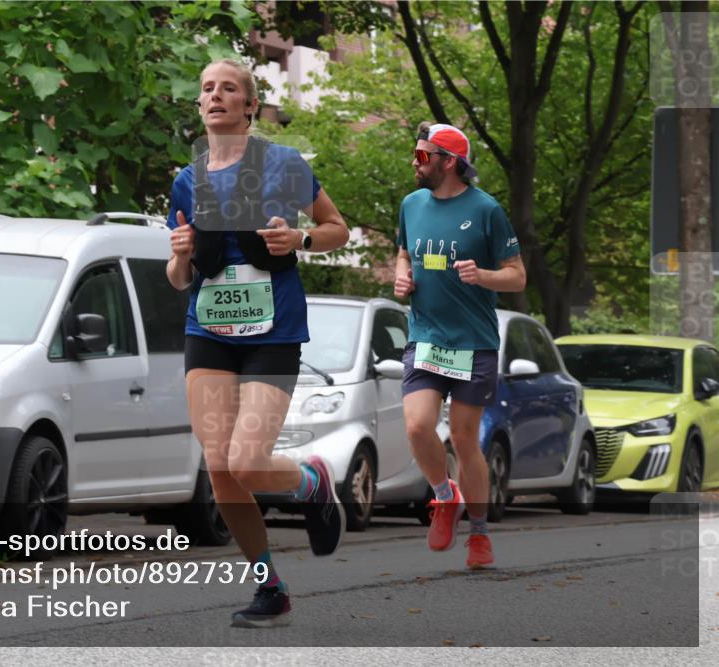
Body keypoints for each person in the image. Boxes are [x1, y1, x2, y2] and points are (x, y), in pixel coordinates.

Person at [166, 58, 350, 628]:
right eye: (206, 89)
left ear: (249, 104)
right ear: (200, 106)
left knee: (247, 461)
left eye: (228, 88)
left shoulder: (283, 164)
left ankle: (313, 481)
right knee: (220, 468)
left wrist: (301, 237)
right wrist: (178, 254)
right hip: (208, 332)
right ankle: (269, 585)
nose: (214, 95)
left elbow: (338, 229)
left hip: (273, 333)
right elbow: (178, 279)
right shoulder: (187, 179)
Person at [393, 122, 526, 570]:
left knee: (466, 438)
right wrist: (401, 274)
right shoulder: (411, 205)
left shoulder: (487, 210)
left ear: (448, 162)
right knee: (417, 426)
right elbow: (404, 252)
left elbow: (517, 274)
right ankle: (444, 495)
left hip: (474, 342)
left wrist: (484, 276)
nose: (415, 162)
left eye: (421, 155)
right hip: (426, 336)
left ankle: (480, 532)